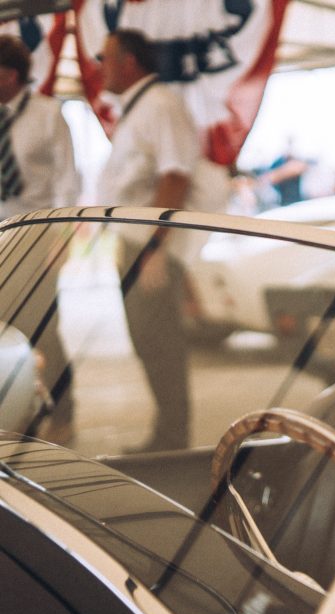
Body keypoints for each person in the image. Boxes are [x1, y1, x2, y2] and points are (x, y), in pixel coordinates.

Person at [97, 28, 203, 453]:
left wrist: (156, 248)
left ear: (128, 62)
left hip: (151, 247)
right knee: (146, 341)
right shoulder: (136, 108)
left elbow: (175, 175)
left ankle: (173, 440)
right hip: (133, 243)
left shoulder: (160, 104)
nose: (99, 68)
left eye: (105, 58)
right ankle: (166, 434)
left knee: (160, 343)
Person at [0, 35, 80, 443]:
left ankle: (64, 413)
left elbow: (68, 180)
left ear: (11, 74)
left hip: (35, 236)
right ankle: (19, 416)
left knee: (44, 330)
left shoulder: (48, 114)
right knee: (5, 334)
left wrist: (62, 239)